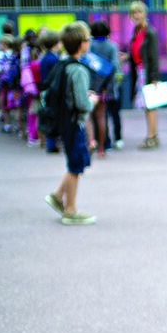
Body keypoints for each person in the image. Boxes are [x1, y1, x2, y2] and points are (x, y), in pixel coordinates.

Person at [43, 22, 97, 226]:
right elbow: (82, 103)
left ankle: (58, 196)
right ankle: (70, 210)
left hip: (64, 121)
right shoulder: (79, 70)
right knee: (75, 166)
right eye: (87, 39)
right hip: (75, 122)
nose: (89, 42)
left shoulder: (62, 64)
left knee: (76, 163)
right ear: (81, 44)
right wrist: (93, 100)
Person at [129, 0, 161, 150]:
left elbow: (154, 56)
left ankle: (152, 137)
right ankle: (151, 135)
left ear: (145, 14)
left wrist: (154, 77)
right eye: (134, 13)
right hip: (139, 71)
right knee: (147, 106)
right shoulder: (136, 32)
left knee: (150, 106)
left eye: (139, 12)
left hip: (147, 73)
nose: (136, 15)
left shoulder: (150, 32)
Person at [88, 20, 119, 158]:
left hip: (89, 87)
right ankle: (103, 147)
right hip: (104, 87)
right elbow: (115, 67)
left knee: (89, 116)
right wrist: (110, 88)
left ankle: (91, 142)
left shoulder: (89, 46)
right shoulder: (112, 46)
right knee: (102, 117)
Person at [38, 31, 62, 153]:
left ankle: (50, 142)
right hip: (53, 91)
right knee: (53, 116)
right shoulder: (53, 59)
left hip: (46, 90)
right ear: (55, 44)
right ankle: (52, 144)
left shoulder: (44, 58)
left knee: (49, 115)